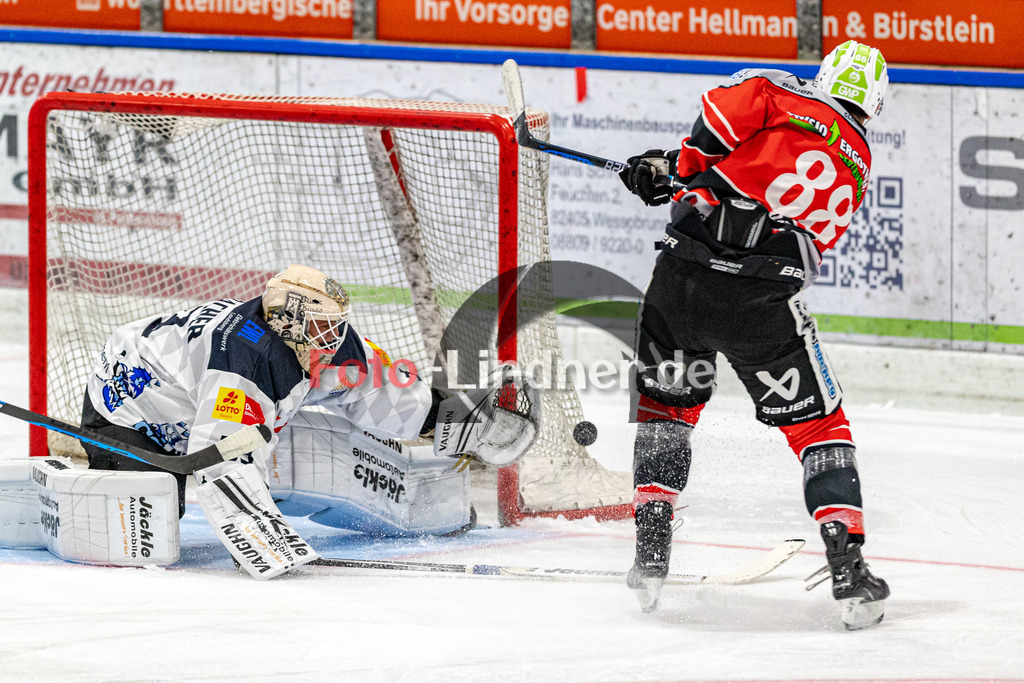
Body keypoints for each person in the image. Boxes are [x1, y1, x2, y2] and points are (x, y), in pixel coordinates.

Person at [618, 41, 890, 630]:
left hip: (680, 282)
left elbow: (719, 114)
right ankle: (847, 563)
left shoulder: (784, 91)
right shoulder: (860, 161)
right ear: (874, 105)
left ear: (824, 77)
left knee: (666, 410)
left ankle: (651, 553)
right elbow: (777, 205)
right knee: (820, 426)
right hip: (760, 303)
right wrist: (686, 174)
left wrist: (675, 170)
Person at [79, 264, 539, 577]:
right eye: (322, 328)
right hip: (130, 411)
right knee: (149, 531)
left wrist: (457, 417)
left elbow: (380, 391)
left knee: (300, 444)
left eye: (337, 325)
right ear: (287, 321)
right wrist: (259, 534)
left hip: (193, 399)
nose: (333, 339)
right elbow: (222, 458)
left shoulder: (326, 342)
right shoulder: (243, 358)